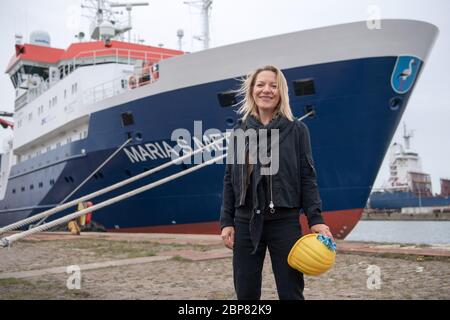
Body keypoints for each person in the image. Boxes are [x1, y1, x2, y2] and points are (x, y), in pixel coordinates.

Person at [219, 65, 333, 300]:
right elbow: (230, 179)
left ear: (281, 92)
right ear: (252, 91)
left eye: (273, 85)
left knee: (291, 292)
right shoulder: (239, 132)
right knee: (246, 293)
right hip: (245, 221)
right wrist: (226, 222)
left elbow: (307, 177)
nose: (266, 90)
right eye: (260, 85)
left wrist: (316, 219)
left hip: (284, 222)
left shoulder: (297, 130)